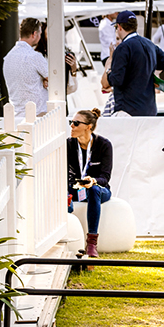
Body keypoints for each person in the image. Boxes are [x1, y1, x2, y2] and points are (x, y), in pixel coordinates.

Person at [101, 10, 164, 116]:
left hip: (128, 110)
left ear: (119, 27)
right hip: (149, 109)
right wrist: (150, 74)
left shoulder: (123, 48)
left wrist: (109, 71)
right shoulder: (149, 43)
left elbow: (117, 79)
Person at [66, 109, 112, 259]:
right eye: (71, 122)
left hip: (99, 189)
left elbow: (105, 178)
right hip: (76, 189)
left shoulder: (104, 145)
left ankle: (91, 243)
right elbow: (63, 175)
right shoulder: (68, 145)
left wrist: (93, 181)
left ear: (88, 126)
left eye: (76, 123)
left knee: (94, 190)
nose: (72, 126)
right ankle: (68, 239)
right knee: (65, 196)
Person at [4, 17, 48, 119]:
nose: (40, 37)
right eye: (40, 34)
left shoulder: (8, 57)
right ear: (34, 34)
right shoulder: (34, 56)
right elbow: (54, 80)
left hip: (16, 114)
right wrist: (45, 80)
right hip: (37, 115)